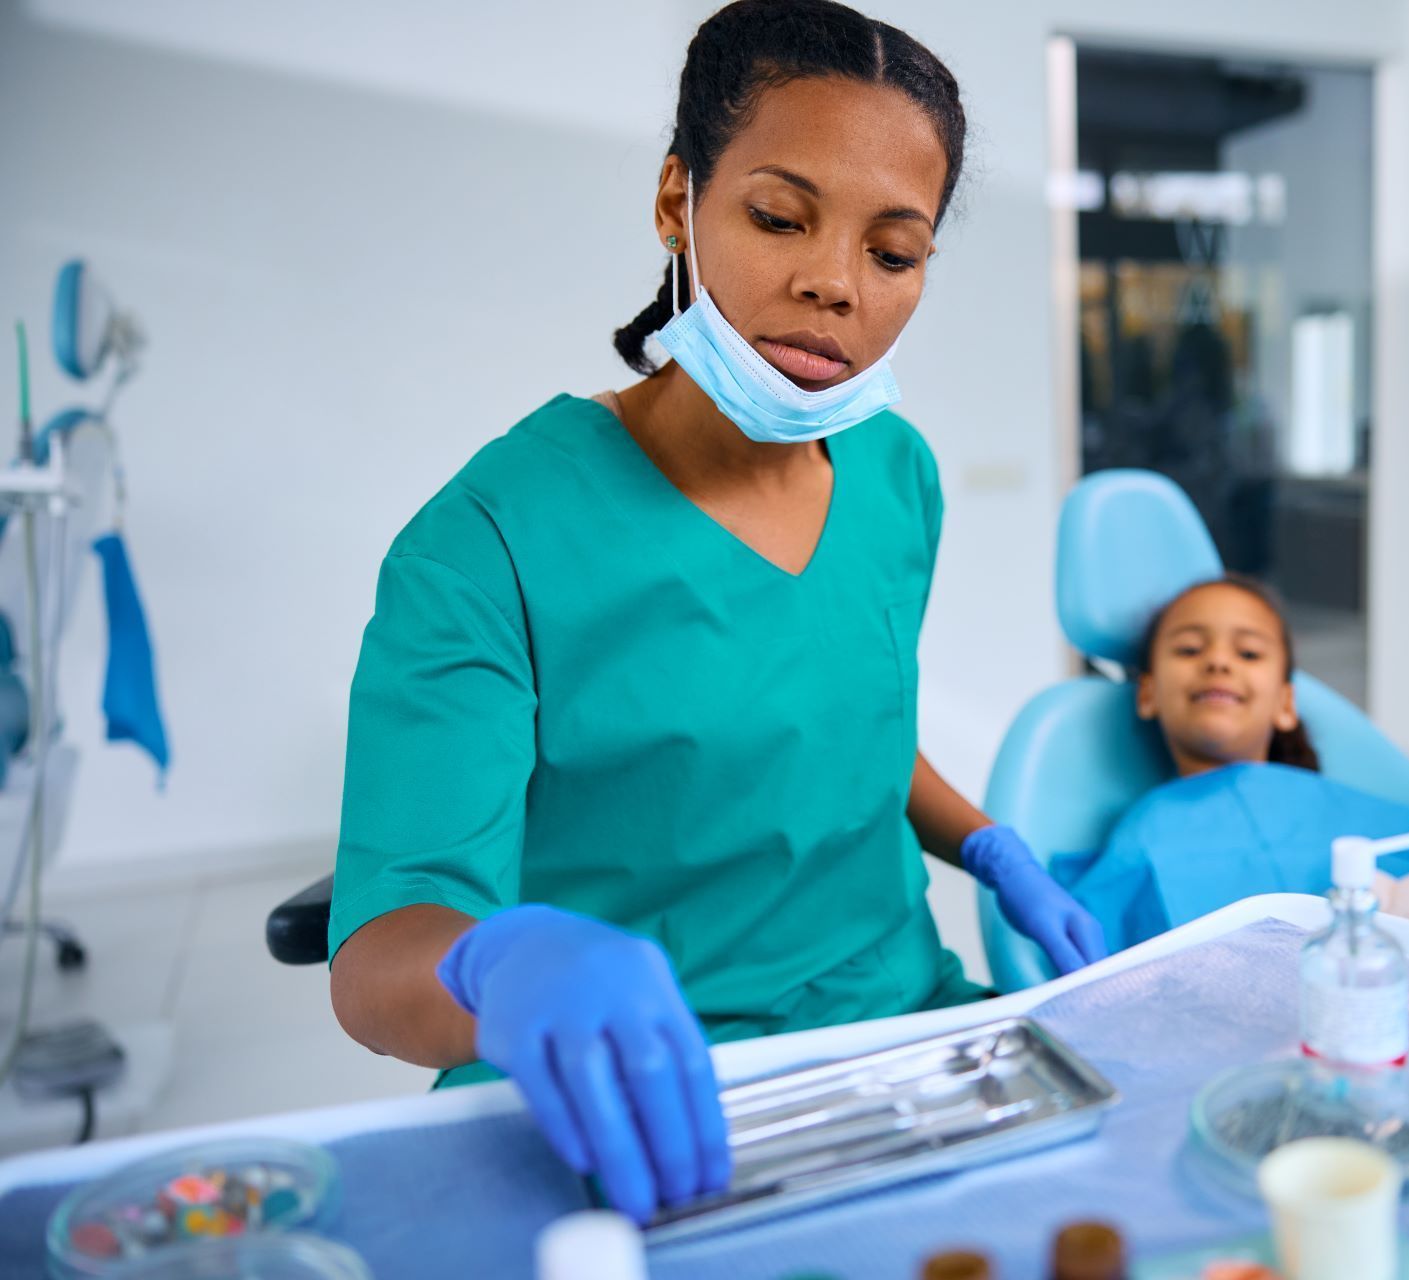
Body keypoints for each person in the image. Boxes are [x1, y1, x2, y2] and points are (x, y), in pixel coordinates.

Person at [326, 0, 1106, 1225]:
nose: (832, 284)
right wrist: (498, 962)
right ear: (677, 199)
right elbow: (376, 961)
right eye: (780, 217)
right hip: (619, 1089)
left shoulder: (897, 474)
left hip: (899, 1031)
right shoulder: (487, 539)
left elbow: (841, 720)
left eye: (893, 254)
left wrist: (987, 842)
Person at [1059, 576, 1409, 949]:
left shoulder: (1356, 820)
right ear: (1148, 693)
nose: (1218, 661)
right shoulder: (1143, 837)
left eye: (1248, 653)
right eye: (1189, 649)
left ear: (1286, 704)